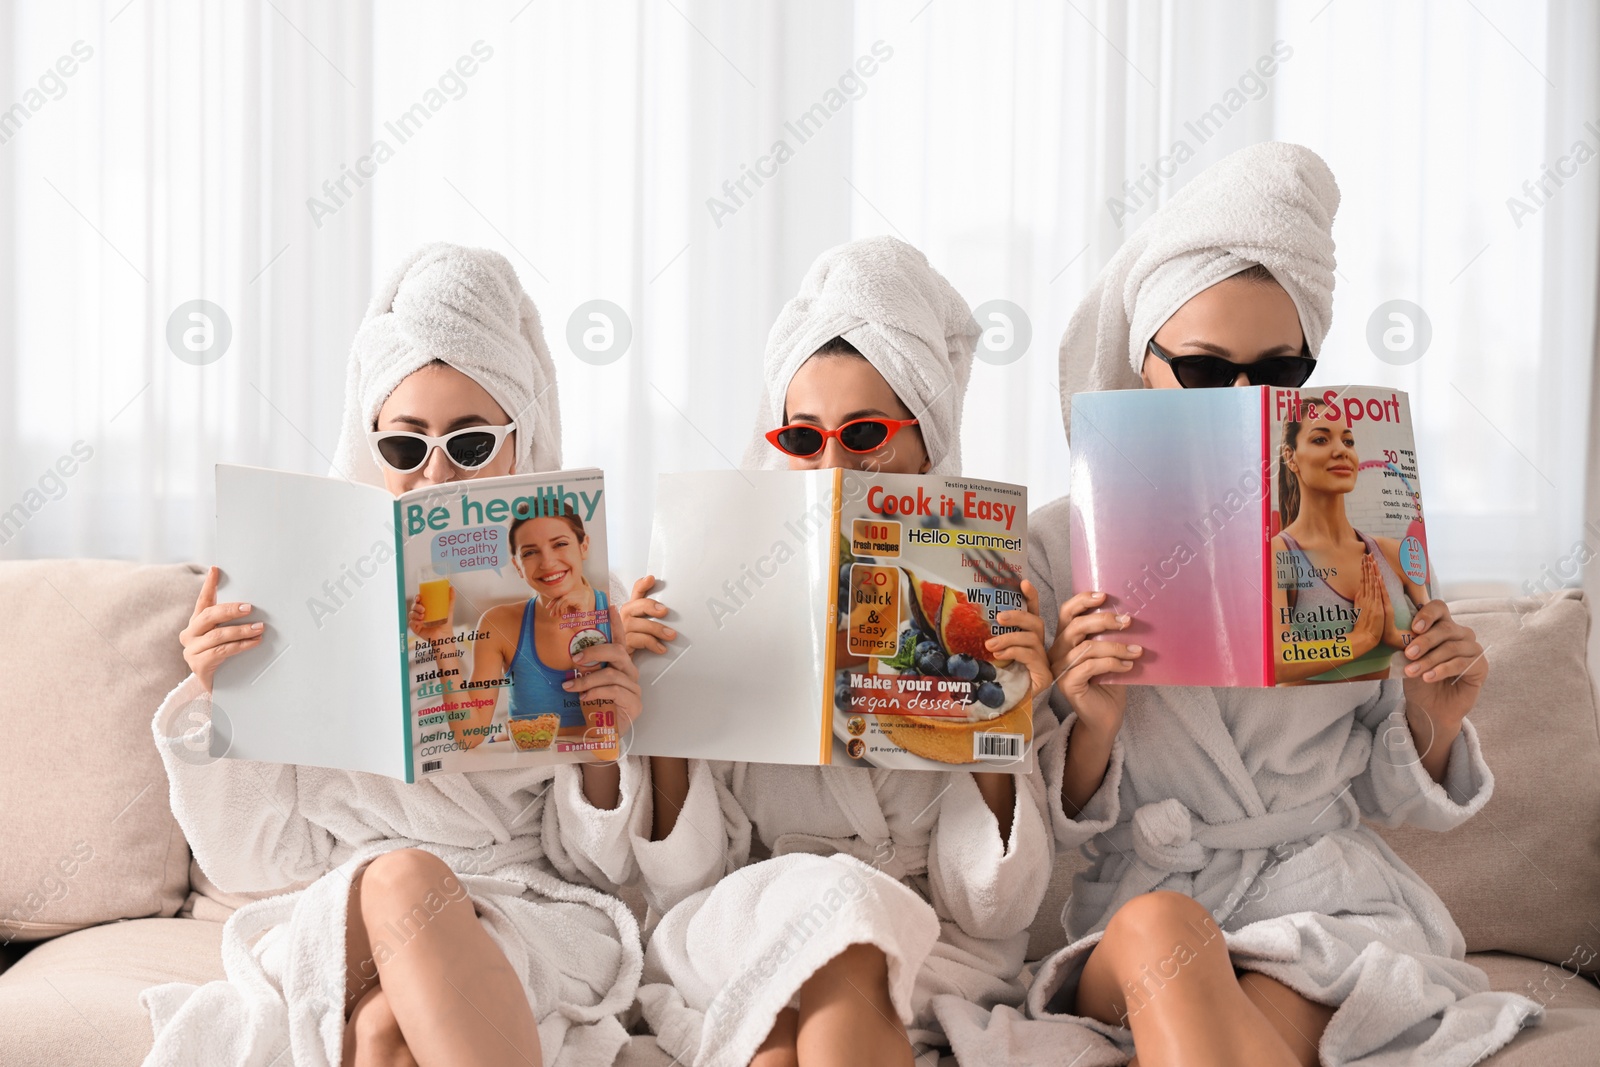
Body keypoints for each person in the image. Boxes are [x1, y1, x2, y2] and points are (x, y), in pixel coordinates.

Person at [1000, 143, 1543, 1067]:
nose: (1247, 400)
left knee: (1263, 1008)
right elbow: (1034, 829)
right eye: (1209, 372)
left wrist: (1434, 720)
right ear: (1143, 367)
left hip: (1319, 907)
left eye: (1279, 374)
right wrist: (1089, 721)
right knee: (1160, 928)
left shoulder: (1372, 535)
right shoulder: (1053, 545)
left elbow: (1388, 793)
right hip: (1144, 901)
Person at [561, 236, 1058, 1067]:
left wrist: (1000, 723)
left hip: (933, 947)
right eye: (803, 439)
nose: (833, 466)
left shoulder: (984, 596)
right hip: (747, 920)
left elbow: (996, 908)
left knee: (781, 1042)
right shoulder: (715, 578)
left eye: (865, 433)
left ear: (927, 447)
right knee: (836, 916)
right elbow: (687, 880)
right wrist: (670, 711)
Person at [147, 244, 642, 1067]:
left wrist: (604, 745)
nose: (435, 476)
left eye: (472, 445)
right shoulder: (302, 590)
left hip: (523, 901)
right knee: (400, 877)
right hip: (347, 898)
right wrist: (215, 698)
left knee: (383, 1032)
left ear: (524, 444)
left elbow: (605, 867)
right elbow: (249, 859)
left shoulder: (585, 601)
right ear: (370, 445)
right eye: (406, 449)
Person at [421, 506, 614, 749]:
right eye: (530, 552)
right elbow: (469, 736)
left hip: (589, 761)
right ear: (517, 566)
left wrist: (586, 625)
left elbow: (608, 732)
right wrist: (442, 641)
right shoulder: (499, 623)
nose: (547, 562)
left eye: (560, 544)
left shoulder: (614, 610)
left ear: (583, 546)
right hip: (529, 761)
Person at [1271, 409, 1427, 683]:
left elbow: (1432, 638)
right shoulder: (1279, 553)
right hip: (1308, 721)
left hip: (1386, 714)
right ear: (1290, 457)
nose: (1342, 451)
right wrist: (1362, 638)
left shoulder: (1393, 552)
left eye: (1348, 441)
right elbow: (1274, 662)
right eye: (1320, 440)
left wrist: (1393, 635)